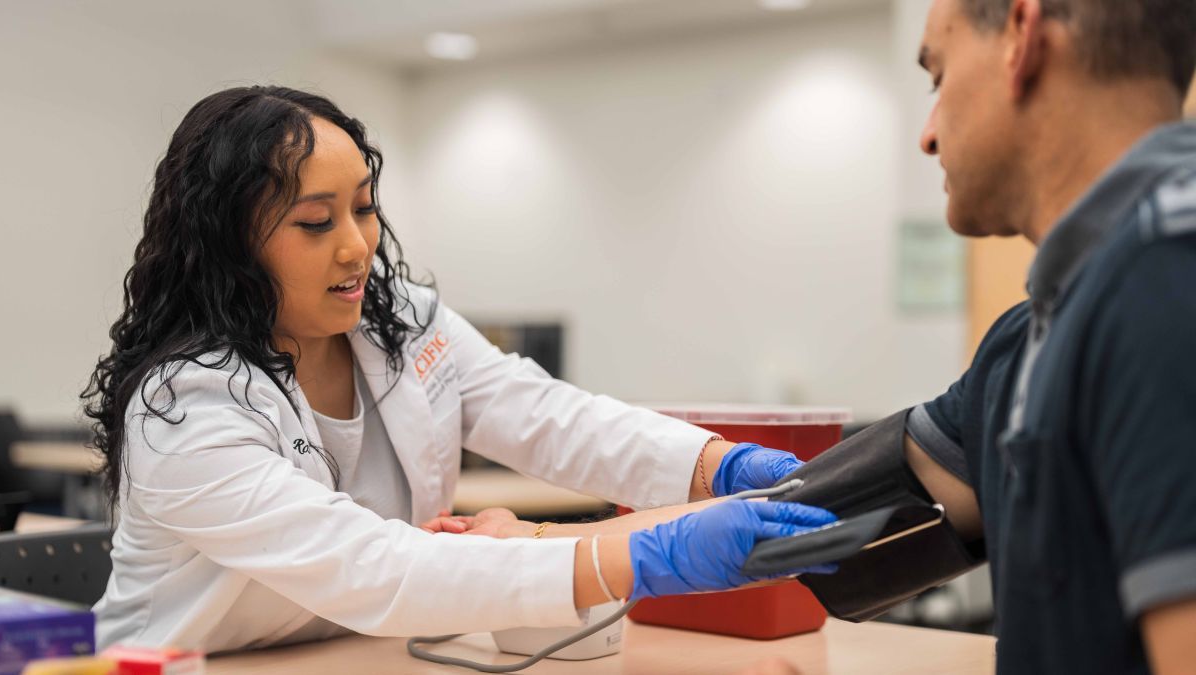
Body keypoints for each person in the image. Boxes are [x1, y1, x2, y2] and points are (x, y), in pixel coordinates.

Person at [82, 86, 836, 653]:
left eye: (365, 208)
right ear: (229, 245)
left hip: (357, 656)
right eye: (316, 222)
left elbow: (548, 416)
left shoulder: (398, 322)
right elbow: (372, 566)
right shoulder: (186, 406)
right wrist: (633, 558)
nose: (356, 247)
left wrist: (721, 465)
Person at [734, 1, 1196, 673]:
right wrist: (586, 553)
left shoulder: (1164, 289)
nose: (926, 134)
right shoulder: (1035, 336)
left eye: (938, 76)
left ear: (1020, 34)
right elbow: (844, 511)